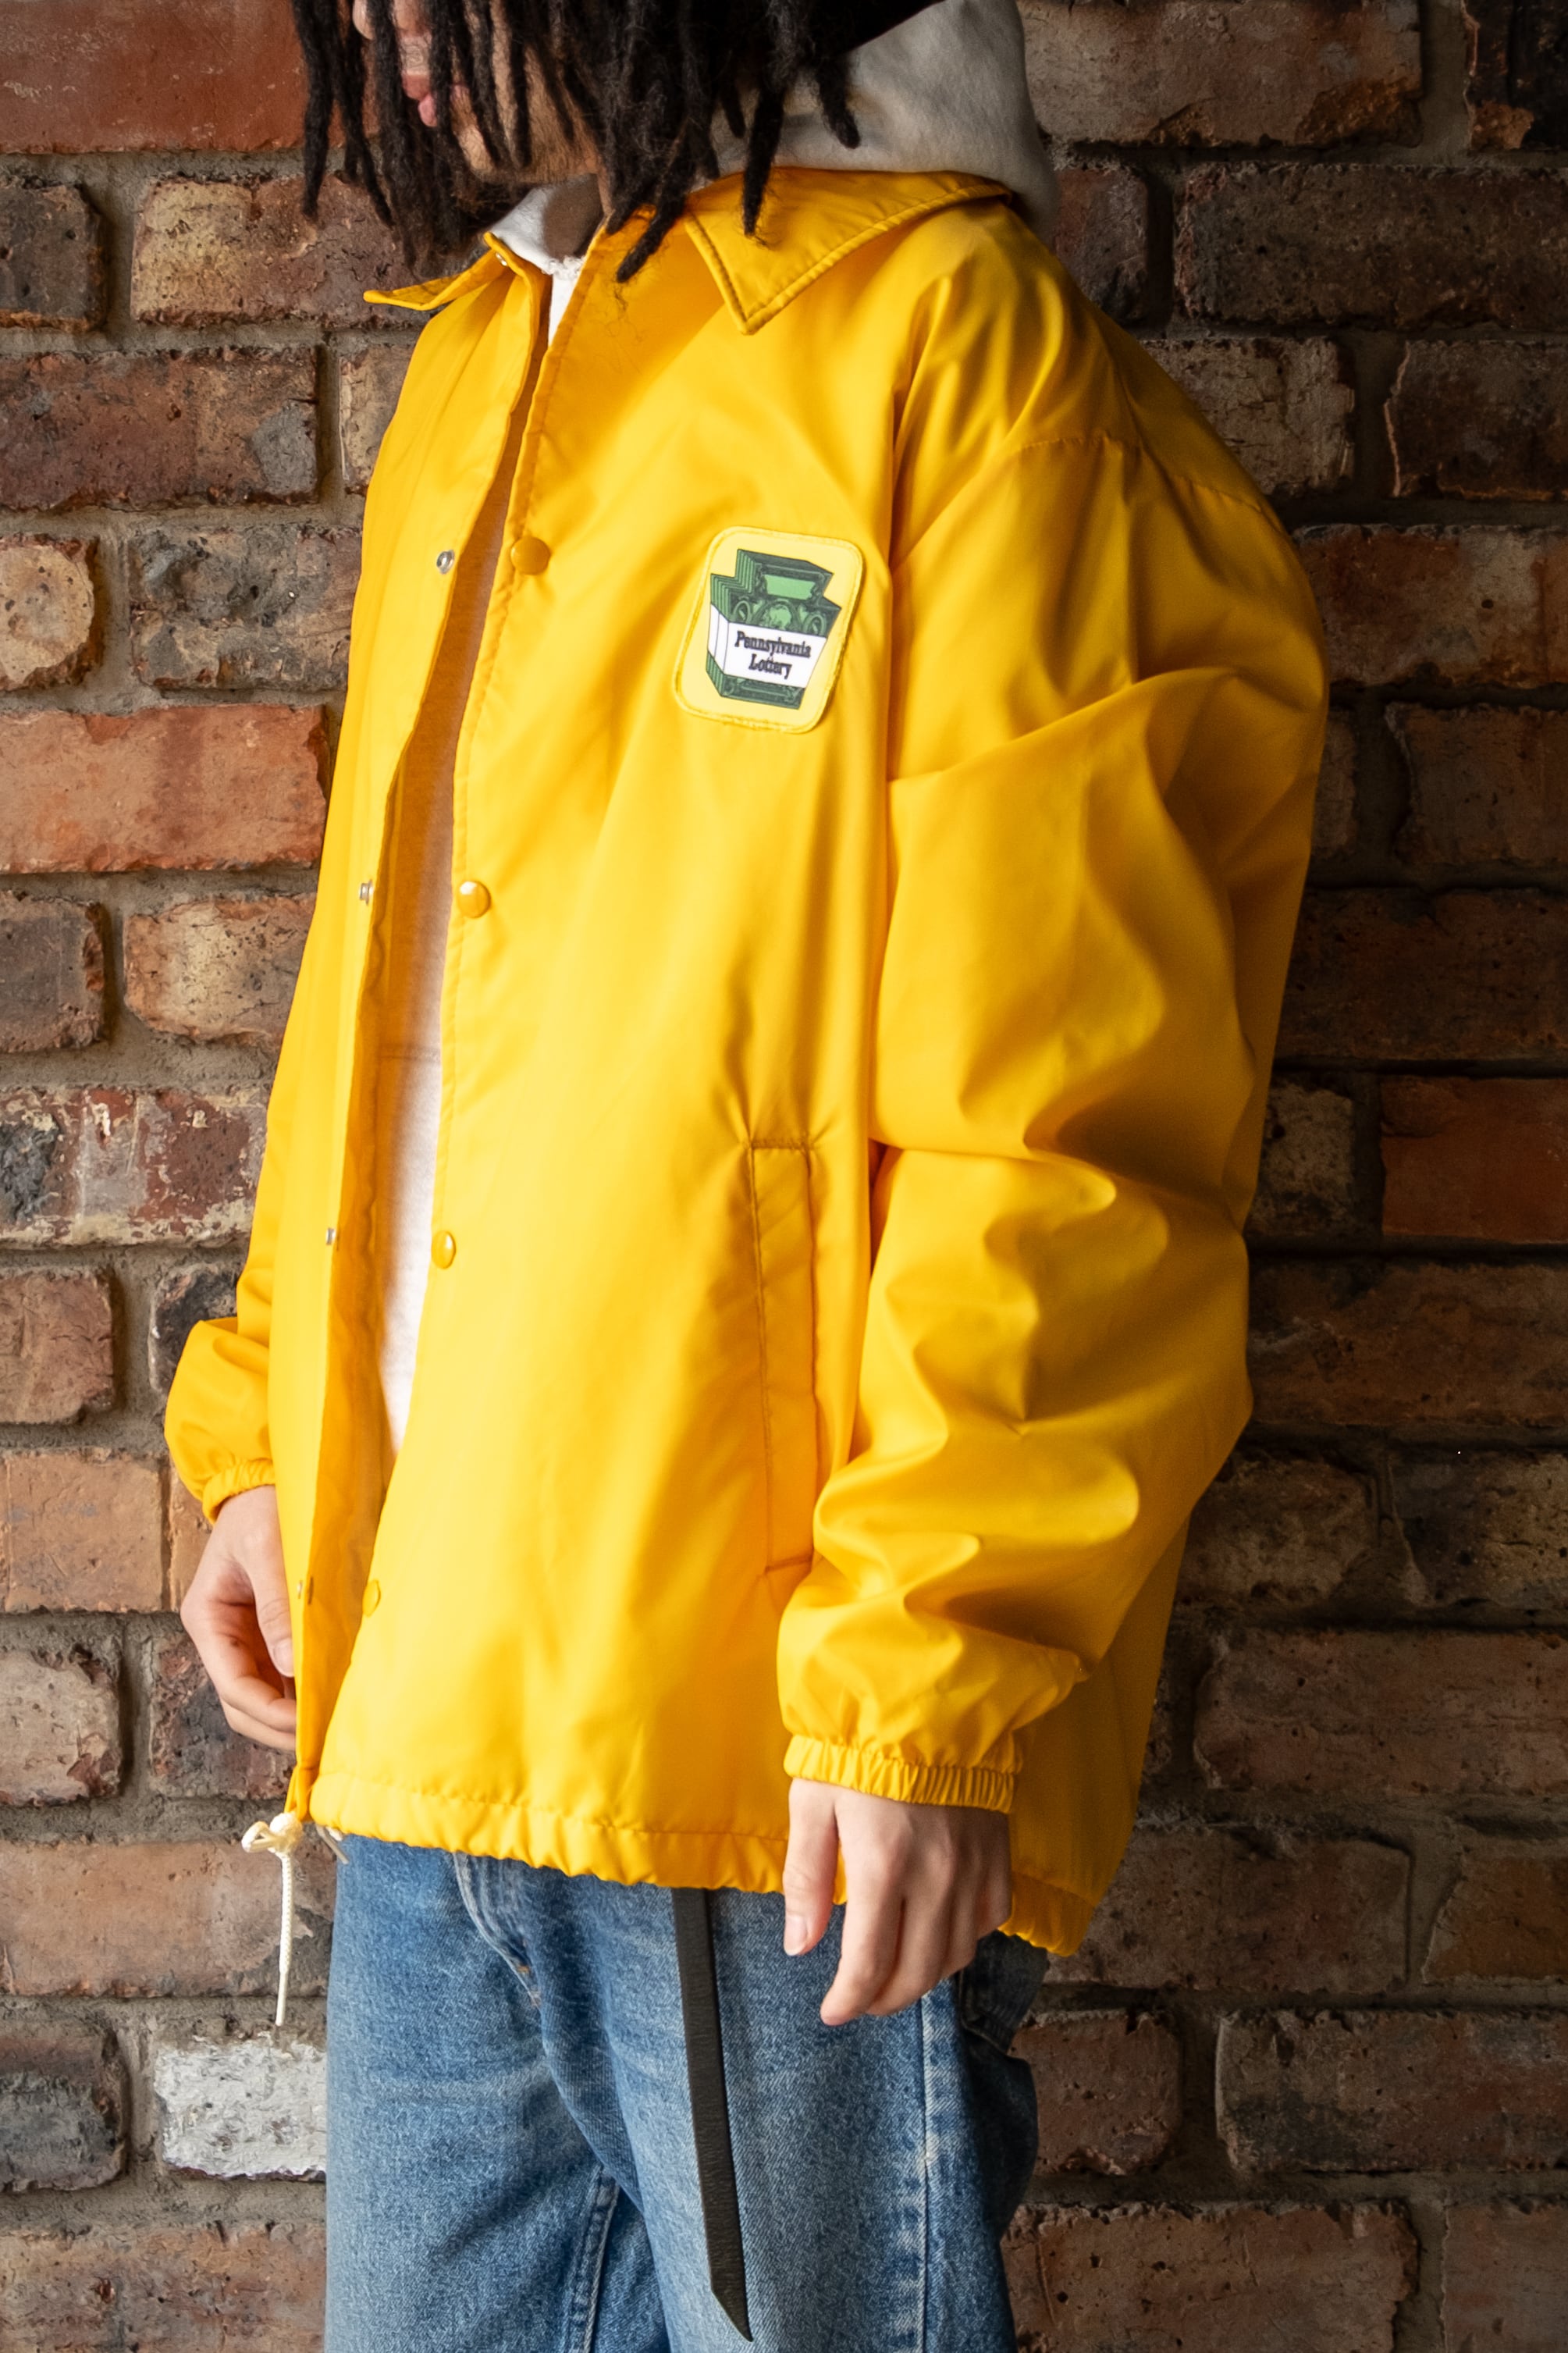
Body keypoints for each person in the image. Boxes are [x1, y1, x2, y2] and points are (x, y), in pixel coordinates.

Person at [168, 2, 1328, 2347]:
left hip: (763, 1745)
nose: (382, 24)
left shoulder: (954, 357)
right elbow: (395, 990)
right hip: (427, 1707)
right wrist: (268, 1430)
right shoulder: (489, 349)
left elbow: (1067, 1116)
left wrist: (928, 1677)